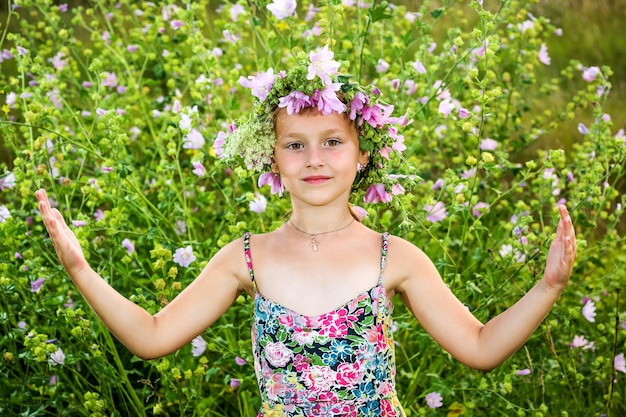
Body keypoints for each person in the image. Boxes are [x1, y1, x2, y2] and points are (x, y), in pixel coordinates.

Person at [35, 47, 577, 416]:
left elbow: (480, 347)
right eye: (295, 144)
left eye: (332, 142)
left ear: (363, 156)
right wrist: (80, 269)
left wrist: (548, 286)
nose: (314, 159)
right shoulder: (245, 258)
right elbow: (150, 338)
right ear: (272, 159)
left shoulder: (396, 257)